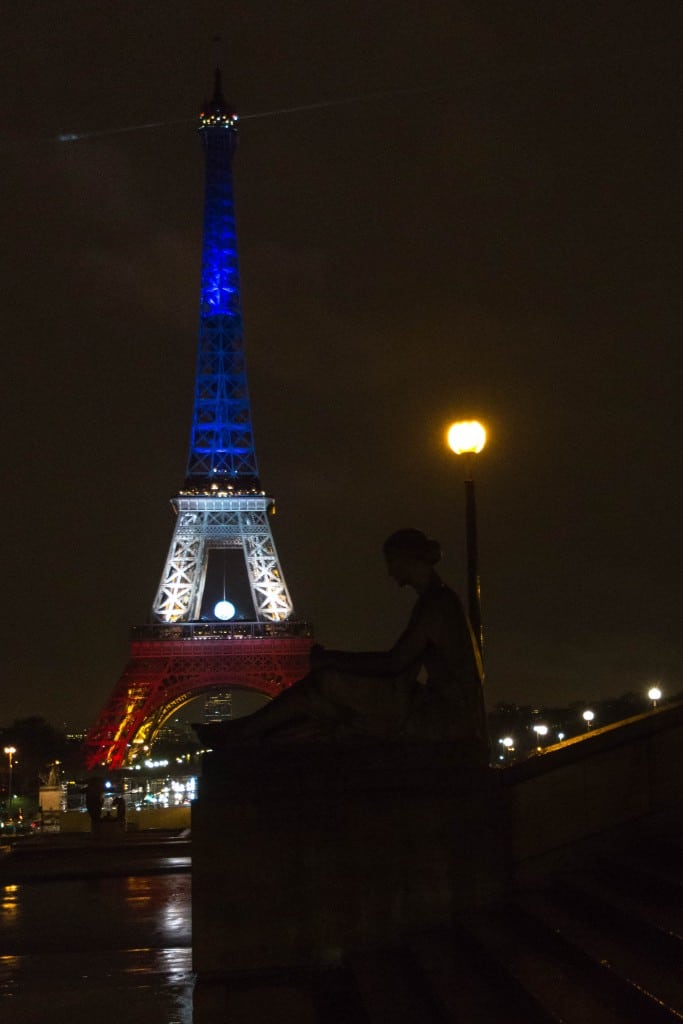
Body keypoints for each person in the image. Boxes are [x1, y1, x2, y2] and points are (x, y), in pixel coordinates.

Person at [196, 529, 489, 760]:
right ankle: (247, 733)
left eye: (391, 563)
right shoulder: (437, 600)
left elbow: (394, 664)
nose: (389, 573)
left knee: (326, 683)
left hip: (441, 716)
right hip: (440, 708)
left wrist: (333, 660)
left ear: (406, 559)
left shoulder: (435, 604)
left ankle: (244, 733)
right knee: (326, 696)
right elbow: (400, 668)